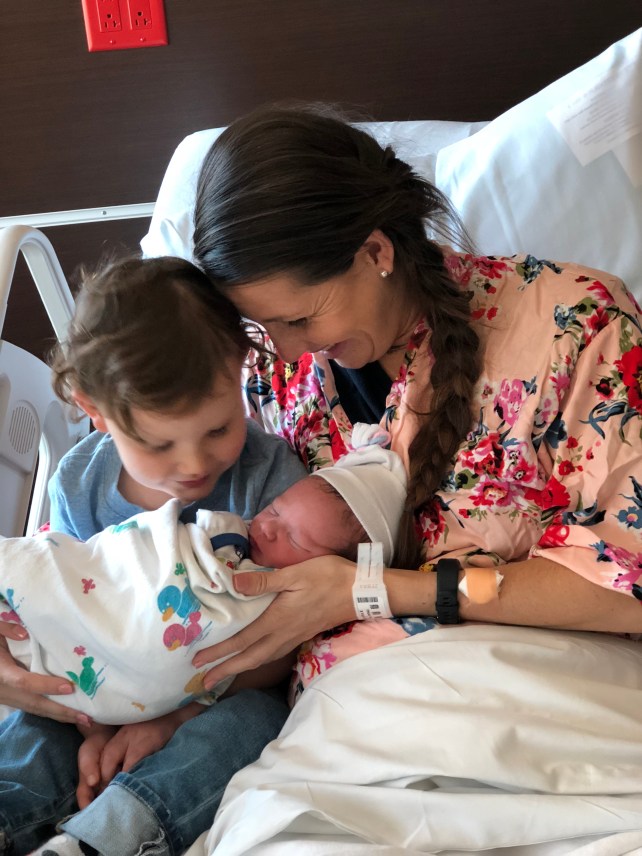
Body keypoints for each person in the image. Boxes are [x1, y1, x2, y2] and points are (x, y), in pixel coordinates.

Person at [188, 102, 642, 697]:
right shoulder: (268, 379)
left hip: (527, 694)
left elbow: (627, 586)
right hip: (328, 716)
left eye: (298, 319)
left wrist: (372, 591)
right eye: (261, 327)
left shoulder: (575, 328)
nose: (286, 350)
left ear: (376, 253)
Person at [0, 255, 309, 855]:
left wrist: (171, 720)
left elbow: (284, 639)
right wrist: (95, 719)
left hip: (221, 693)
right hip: (93, 691)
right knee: (34, 726)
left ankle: (105, 840)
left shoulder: (269, 482)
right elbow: (57, 610)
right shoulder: (79, 485)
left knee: (255, 725)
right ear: (95, 411)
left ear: (240, 369)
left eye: (218, 429)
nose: (193, 464)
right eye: (159, 443)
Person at [1, 426, 406, 726]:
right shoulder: (77, 481)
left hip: (134, 689)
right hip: (72, 614)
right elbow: (95, 567)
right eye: (275, 510)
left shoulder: (268, 472)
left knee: (249, 722)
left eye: (295, 540)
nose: (266, 527)